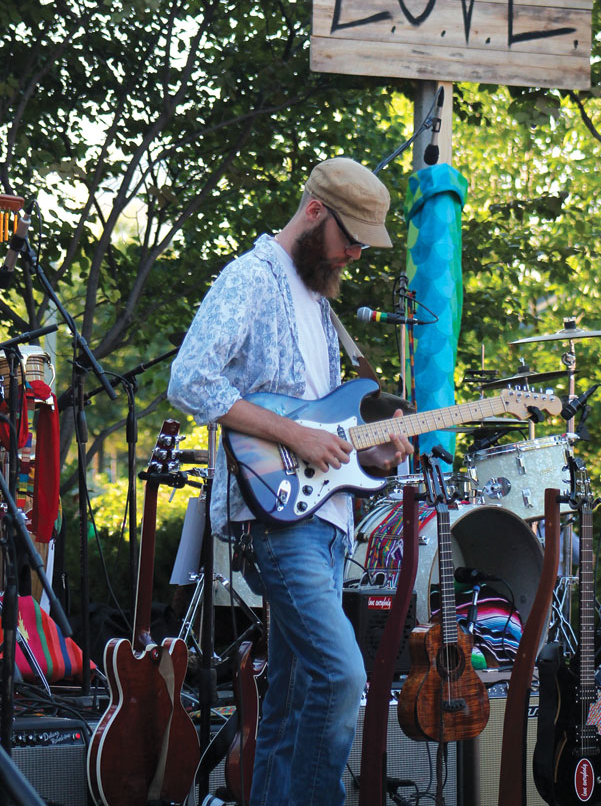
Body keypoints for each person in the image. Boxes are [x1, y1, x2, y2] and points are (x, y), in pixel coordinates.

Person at [168, 157, 413, 806]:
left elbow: (324, 425)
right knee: (341, 678)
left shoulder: (319, 302)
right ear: (313, 212)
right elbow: (190, 379)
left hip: (327, 521)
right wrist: (295, 435)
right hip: (280, 522)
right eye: (351, 238)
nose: (356, 253)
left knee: (291, 703)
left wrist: (375, 453)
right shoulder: (252, 277)